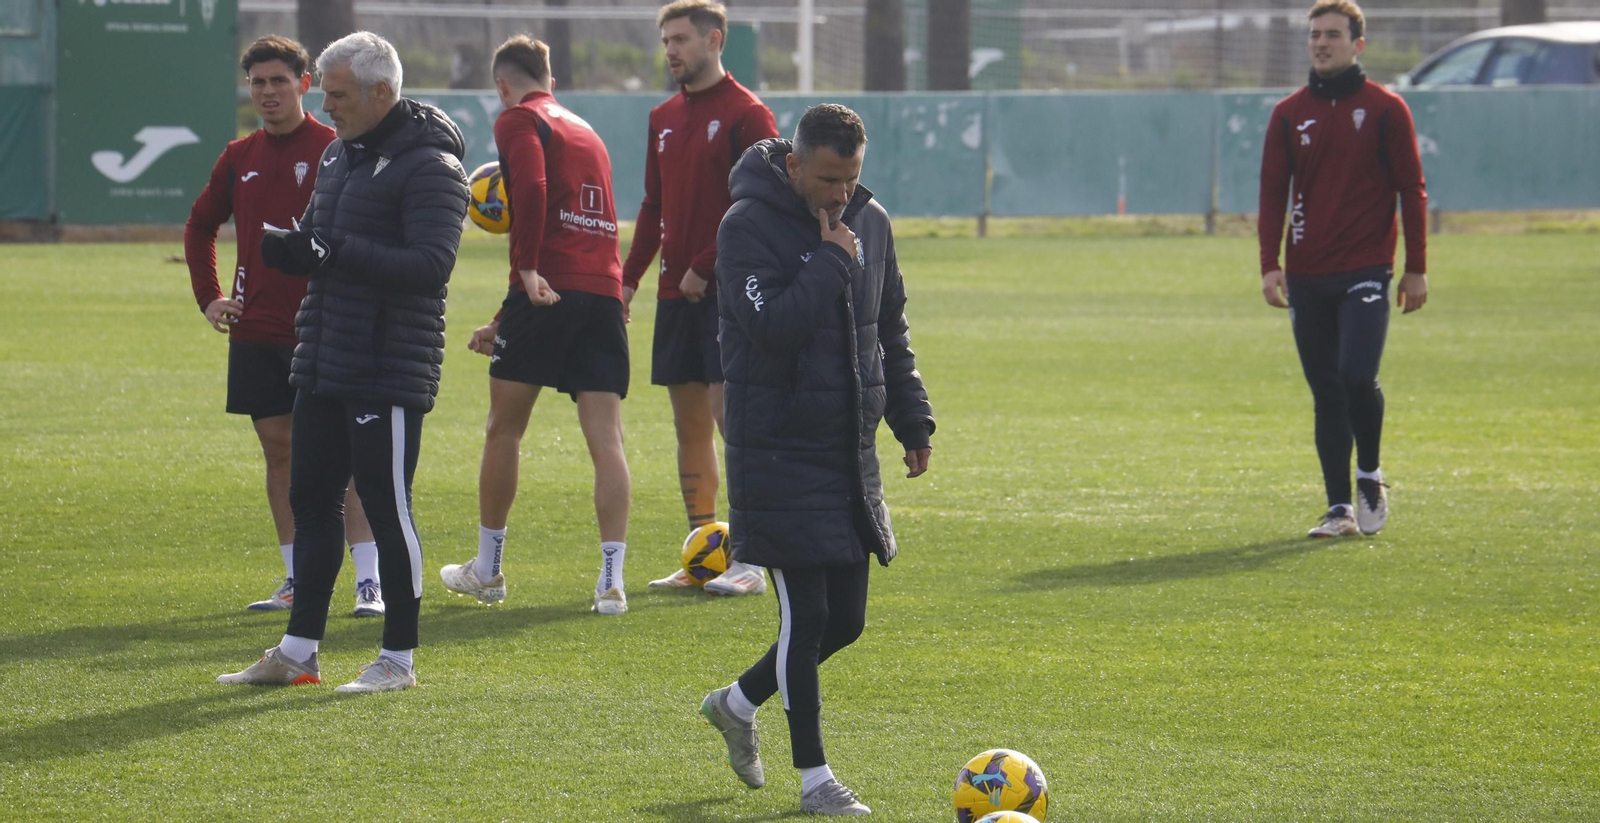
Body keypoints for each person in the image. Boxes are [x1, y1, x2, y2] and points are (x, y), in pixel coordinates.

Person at [698, 104, 934, 815]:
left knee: (846, 622)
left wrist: (911, 419)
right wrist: (832, 259)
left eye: (851, 178)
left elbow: (889, 329)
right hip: (777, 451)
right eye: (828, 178)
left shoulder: (873, 223)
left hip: (845, 452)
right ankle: (815, 780)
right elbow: (770, 327)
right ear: (795, 164)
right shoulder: (745, 226)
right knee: (804, 618)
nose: (841, 193)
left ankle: (736, 703)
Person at [217, 31, 470, 692]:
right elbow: (324, 239)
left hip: (388, 364)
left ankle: (398, 659)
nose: (325, 106)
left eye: (337, 95)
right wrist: (295, 248)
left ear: (380, 92)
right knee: (310, 498)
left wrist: (334, 251)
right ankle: (298, 651)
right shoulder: (338, 155)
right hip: (324, 354)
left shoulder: (433, 166)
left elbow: (431, 266)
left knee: (387, 508)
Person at [183, 35, 383, 618]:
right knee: (280, 455)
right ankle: (297, 578)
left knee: (349, 457)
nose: (268, 91)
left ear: (305, 84)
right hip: (256, 331)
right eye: (258, 82)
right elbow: (199, 226)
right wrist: (209, 297)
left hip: (324, 328)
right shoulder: (238, 156)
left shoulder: (335, 149)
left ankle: (368, 582)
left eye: (279, 80)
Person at [439, 36, 633, 616]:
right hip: (602, 293)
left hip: (546, 288)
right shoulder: (586, 131)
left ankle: (488, 570)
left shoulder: (519, 120)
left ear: (503, 84)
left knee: (504, 429)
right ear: (550, 77)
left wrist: (525, 270)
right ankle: (612, 582)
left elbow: (530, 188)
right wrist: (503, 319)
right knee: (607, 440)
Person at [623, 1, 780, 597]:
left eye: (682, 39)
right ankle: (704, 555)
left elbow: (762, 204)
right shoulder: (663, 116)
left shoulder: (748, 113)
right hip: (675, 294)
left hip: (727, 293)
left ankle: (754, 558)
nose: (671, 50)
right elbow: (653, 205)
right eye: (666, 40)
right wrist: (628, 279)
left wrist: (705, 265)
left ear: (715, 40)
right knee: (688, 424)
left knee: (730, 419)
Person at [1258, 0, 1428, 539]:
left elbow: (1411, 189)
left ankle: (1369, 475)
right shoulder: (1288, 113)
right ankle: (1339, 509)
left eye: (1332, 34)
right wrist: (1270, 264)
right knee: (1326, 391)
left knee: (1356, 375)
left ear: (1358, 44)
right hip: (1307, 272)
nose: (1321, 43)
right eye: (1315, 35)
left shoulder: (1385, 108)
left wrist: (1416, 268)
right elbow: (1272, 192)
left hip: (1367, 267)